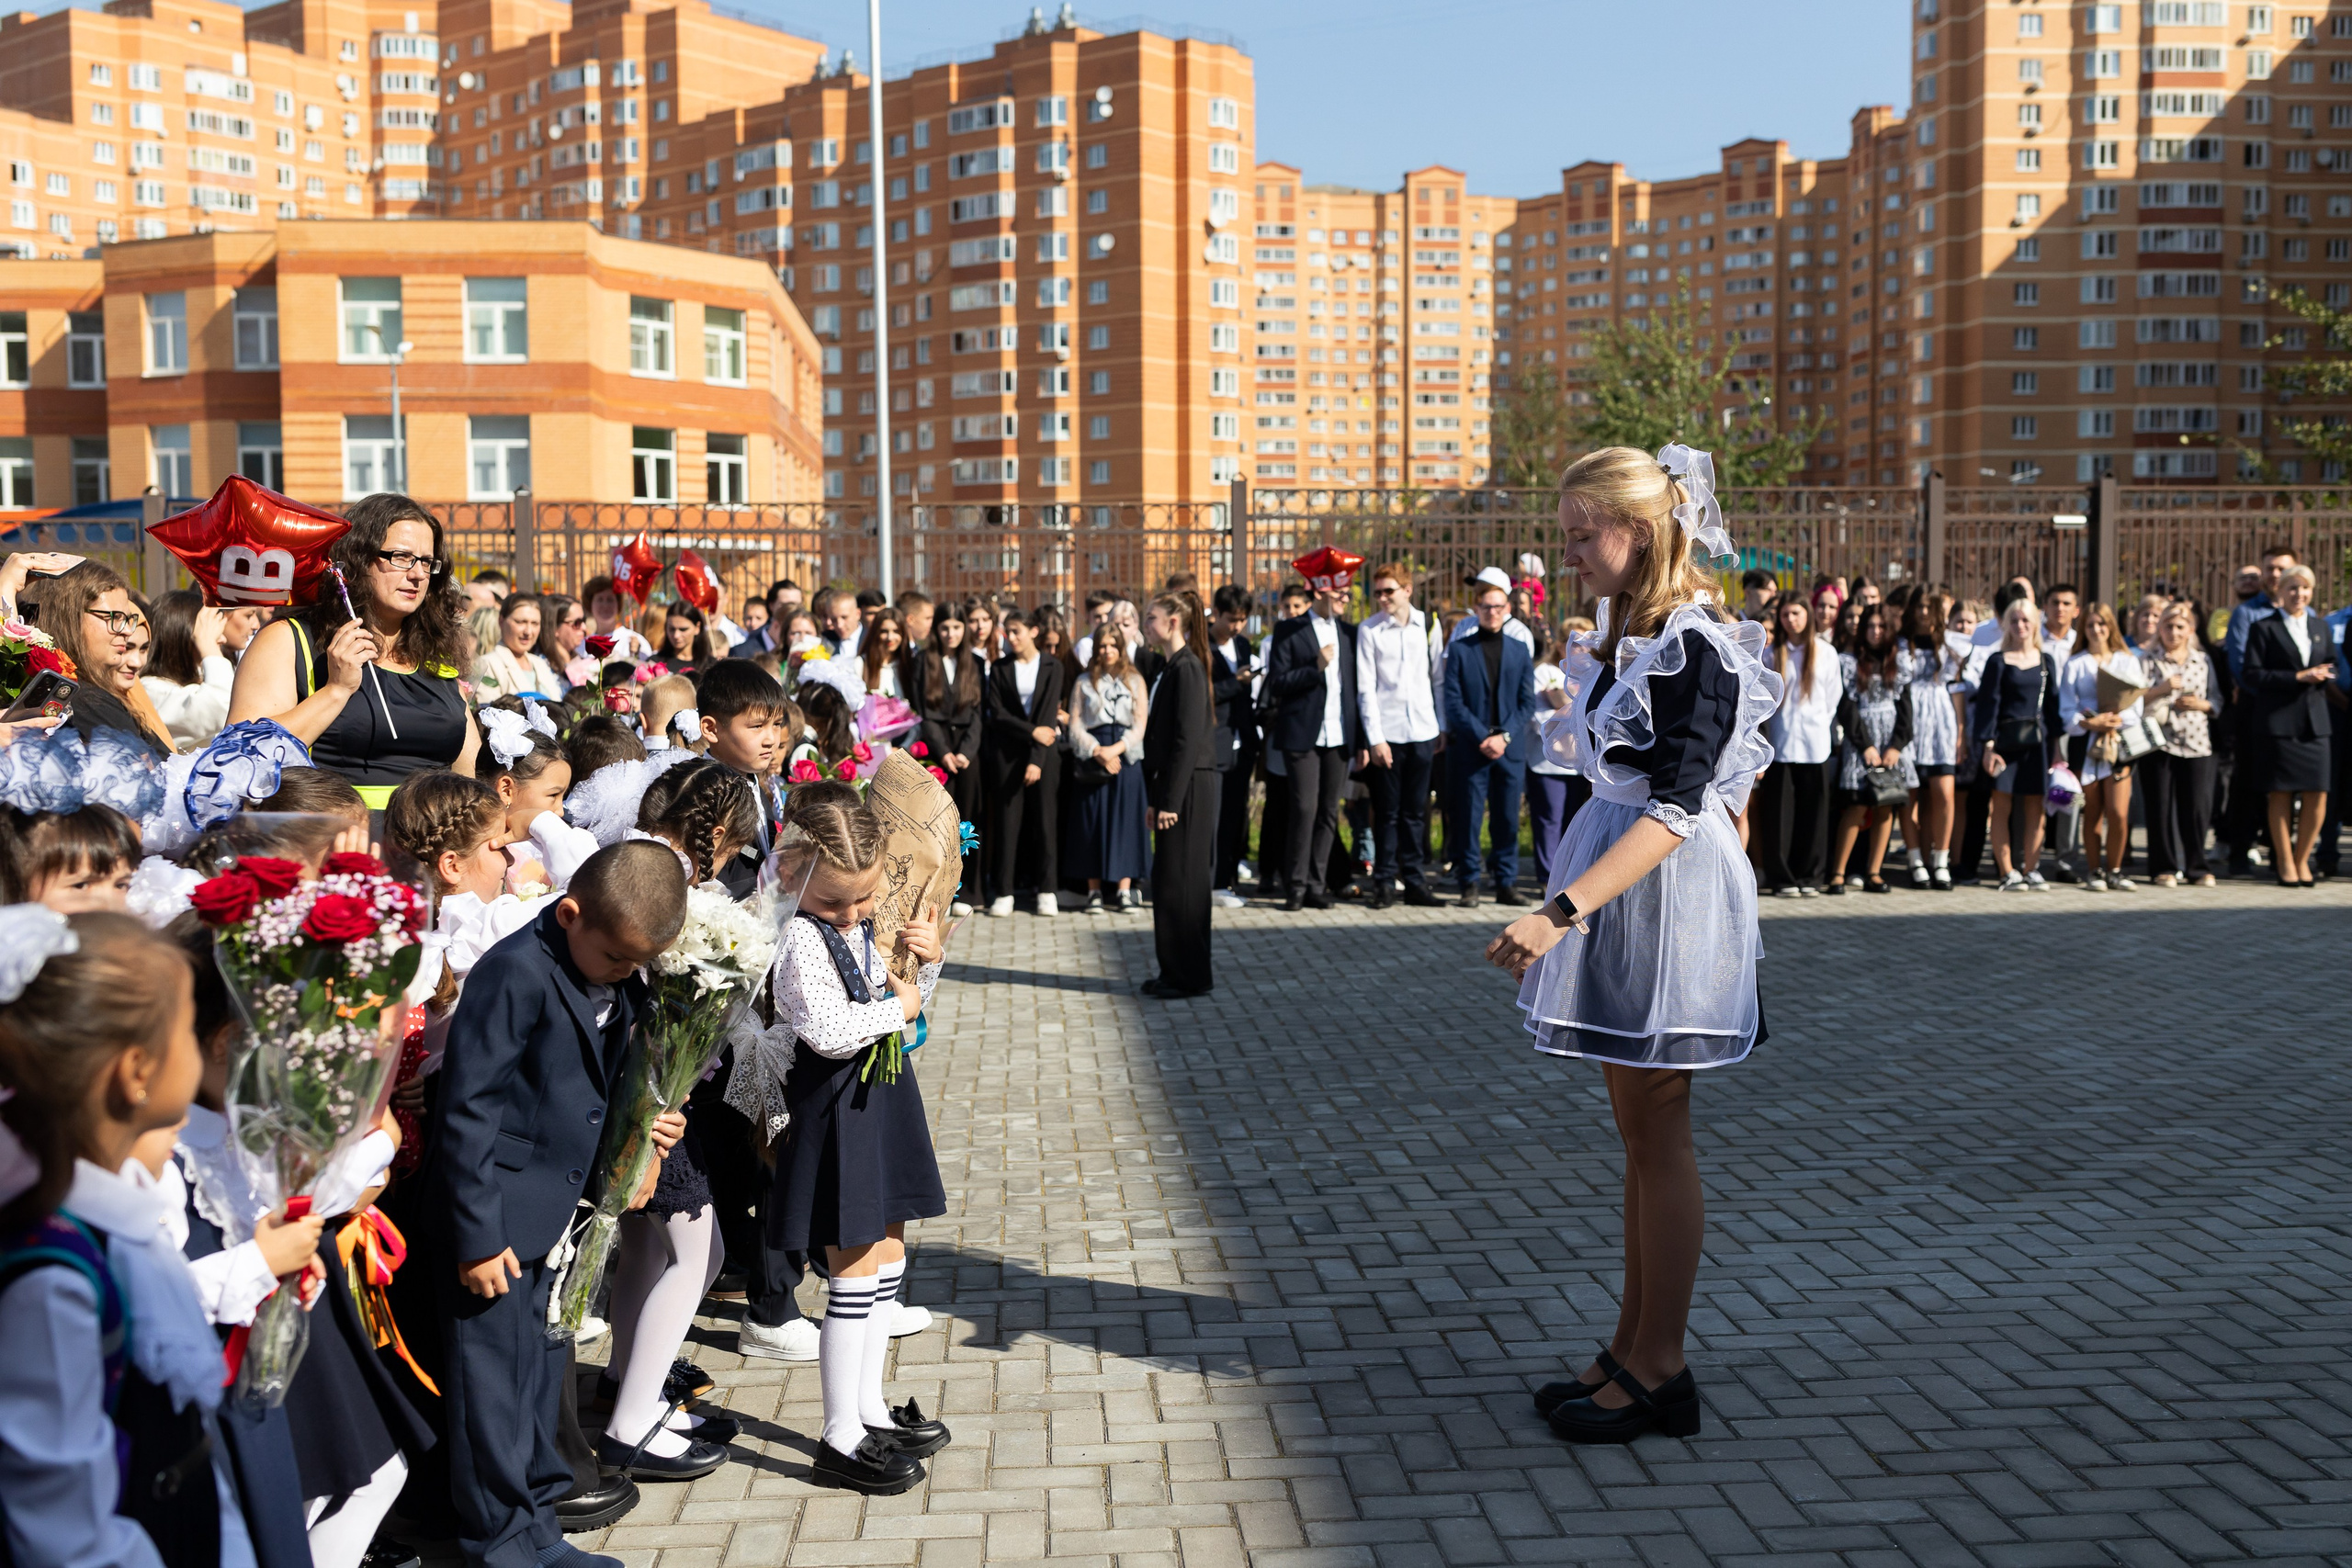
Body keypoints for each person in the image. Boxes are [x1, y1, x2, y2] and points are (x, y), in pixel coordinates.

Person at [1482, 444, 1781, 1445]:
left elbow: (1679, 810)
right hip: (1630, 902)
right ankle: (1630, 1346)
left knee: (1660, 1141)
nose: (1566, 554)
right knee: (1640, 1146)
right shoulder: (1636, 636)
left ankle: (1661, 1366)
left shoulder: (1695, 644)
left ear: (1640, 533)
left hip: (1663, 905)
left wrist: (1557, 912)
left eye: (1579, 535)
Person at [426, 842, 686, 1568]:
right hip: (497, 1219)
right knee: (490, 1390)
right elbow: (467, 1111)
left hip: (558, 1215)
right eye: (615, 959)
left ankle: (539, 1526)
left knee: (538, 1376)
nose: (626, 974)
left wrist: (653, 1126)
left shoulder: (617, 968)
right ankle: (500, 1542)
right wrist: (477, 1237)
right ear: (568, 912)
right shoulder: (514, 972)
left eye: (637, 965)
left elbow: (609, 1082)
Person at [0, 908, 261, 1568]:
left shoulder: (126, 1203)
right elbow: (66, 1536)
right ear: (136, 1071)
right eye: (185, 1028)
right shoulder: (51, 1278)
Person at [761, 783, 949, 1495]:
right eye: (836, 901)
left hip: (881, 1097)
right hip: (834, 1108)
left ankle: (870, 1405)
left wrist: (920, 965)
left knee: (887, 1250)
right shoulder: (799, 934)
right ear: (793, 873)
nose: (852, 914)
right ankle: (839, 1431)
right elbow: (831, 1030)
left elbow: (895, 1001)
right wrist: (898, 1005)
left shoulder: (852, 921)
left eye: (863, 900)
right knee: (851, 1266)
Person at [230, 494, 478, 806]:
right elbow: (239, 758)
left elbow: (469, 774)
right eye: (400, 557)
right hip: (340, 841)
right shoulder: (289, 640)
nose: (417, 574)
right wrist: (335, 690)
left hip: (438, 842)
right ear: (358, 559)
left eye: (427, 562)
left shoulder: (435, 653)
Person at [1261, 549, 1365, 912]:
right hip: (1302, 736)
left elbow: (1357, 690)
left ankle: (1317, 885)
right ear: (1321, 592)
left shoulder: (1351, 633)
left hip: (1339, 737)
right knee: (1303, 808)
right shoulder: (1289, 629)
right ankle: (1295, 886)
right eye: (1339, 593)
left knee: (1327, 812)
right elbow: (1277, 683)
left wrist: (1362, 741)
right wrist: (1316, 666)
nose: (1345, 599)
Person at [1139, 592, 1216, 998]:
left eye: (1151, 617)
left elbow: (1187, 741)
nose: (1145, 623)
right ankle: (1173, 969)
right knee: (1169, 880)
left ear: (1173, 623)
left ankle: (1191, 975)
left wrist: (1170, 801)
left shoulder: (1187, 667)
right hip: (1174, 783)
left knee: (1184, 882)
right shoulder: (1169, 667)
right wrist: (1158, 797)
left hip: (1190, 787)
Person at [2238, 563, 2335, 886]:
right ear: (2280, 591)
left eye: (2305, 588)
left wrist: (2322, 674)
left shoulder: (2320, 626)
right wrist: (2296, 677)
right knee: (2279, 793)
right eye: (2292, 588)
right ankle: (2284, 861)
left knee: (2318, 792)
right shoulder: (2264, 628)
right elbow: (2251, 674)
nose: (2299, 594)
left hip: (2315, 722)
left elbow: (2330, 662)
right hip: (2278, 723)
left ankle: (2302, 859)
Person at [1442, 581, 1536, 908]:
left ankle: (1505, 883)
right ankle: (1469, 883)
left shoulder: (1519, 649)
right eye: (1486, 607)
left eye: (1498, 607)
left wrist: (1504, 736)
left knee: (1507, 818)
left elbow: (1526, 703)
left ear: (1507, 610)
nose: (1492, 612)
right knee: (1468, 816)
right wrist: (1483, 735)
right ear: (1477, 610)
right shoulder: (1459, 649)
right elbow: (1453, 702)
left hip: (1508, 748)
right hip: (1472, 746)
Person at [1354, 563, 1442, 911]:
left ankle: (1415, 881)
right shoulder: (1370, 630)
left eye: (1388, 590)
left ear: (1407, 590)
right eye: (1377, 592)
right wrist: (1375, 738)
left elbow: (1437, 678)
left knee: (1415, 812)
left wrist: (1441, 726)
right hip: (1388, 733)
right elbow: (1366, 689)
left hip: (1422, 729)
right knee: (1387, 812)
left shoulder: (1427, 624)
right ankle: (1384, 882)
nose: (1382, 598)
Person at [25, 559, 175, 756]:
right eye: (115, 618)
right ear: (71, 618)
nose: (127, 631)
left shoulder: (95, 690)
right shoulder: (83, 699)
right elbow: (158, 776)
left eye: (128, 619)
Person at [1971, 598, 2064, 892]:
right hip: (2004, 744)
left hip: (2037, 743)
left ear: (2035, 624)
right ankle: (2007, 871)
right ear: (2006, 624)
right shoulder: (1997, 661)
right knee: (2001, 806)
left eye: (2026, 620)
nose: (2020, 626)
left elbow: (2053, 707)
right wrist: (1988, 747)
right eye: (2014, 620)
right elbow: (1988, 707)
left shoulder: (2045, 661)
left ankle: (2031, 869)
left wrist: (2058, 750)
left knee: (2036, 807)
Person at [1754, 592, 1841, 897]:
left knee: (1814, 815)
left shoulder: (1827, 653)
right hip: (1782, 743)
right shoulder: (1770, 654)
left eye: (1796, 613)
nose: (1791, 620)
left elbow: (1833, 698)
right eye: (1785, 615)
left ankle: (1811, 876)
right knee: (1780, 816)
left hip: (1816, 744)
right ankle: (1783, 878)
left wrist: (1820, 723)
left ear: (1808, 614)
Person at [1824, 603, 1913, 894]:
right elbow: (1846, 709)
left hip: (1890, 745)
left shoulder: (1899, 663)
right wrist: (1866, 747)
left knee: (1887, 805)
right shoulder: (1849, 662)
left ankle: (1875, 872)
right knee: (1857, 805)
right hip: (1862, 744)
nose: (1875, 632)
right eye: (1870, 626)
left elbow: (1906, 711)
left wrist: (1896, 746)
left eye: (1881, 626)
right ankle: (1838, 872)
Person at [2060, 602, 2147, 892]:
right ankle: (2095, 869)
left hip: (2118, 743)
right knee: (2092, 809)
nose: (2096, 630)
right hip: (2086, 743)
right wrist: (2091, 723)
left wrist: (2116, 719)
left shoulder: (2127, 660)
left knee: (2119, 811)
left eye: (2102, 624)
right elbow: (2066, 710)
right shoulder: (2076, 663)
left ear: (2111, 627)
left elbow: (2137, 706)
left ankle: (2116, 869)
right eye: (2090, 625)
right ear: (2083, 629)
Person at [983, 609, 1064, 917]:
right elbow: (998, 714)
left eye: (1016, 631)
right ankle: (1004, 892)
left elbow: (1046, 714)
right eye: (1007, 632)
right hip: (1008, 756)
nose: (1011, 638)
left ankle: (1047, 890)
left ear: (1033, 631)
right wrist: (1031, 732)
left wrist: (1037, 761)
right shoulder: (1000, 667)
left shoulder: (1053, 666)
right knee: (1007, 824)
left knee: (1045, 823)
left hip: (1044, 759)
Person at [1064, 634, 1149, 915]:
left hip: (1126, 755)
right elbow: (1075, 724)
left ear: (1122, 649)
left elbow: (1140, 724)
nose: (1108, 650)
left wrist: (1116, 750)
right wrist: (1097, 750)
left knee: (1125, 821)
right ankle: (1094, 891)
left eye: (1114, 645)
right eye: (1103, 645)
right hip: (1094, 755)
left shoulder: (1135, 680)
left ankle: (1124, 890)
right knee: (1093, 821)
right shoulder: (1084, 681)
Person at [2140, 601, 2222, 886]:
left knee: (2197, 807)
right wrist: (2161, 690)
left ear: (2190, 630)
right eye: (2168, 626)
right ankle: (2164, 866)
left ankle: (2197, 866)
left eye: (2179, 627)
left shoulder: (2202, 660)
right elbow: (2132, 700)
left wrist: (2201, 704)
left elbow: (2217, 700)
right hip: (2159, 741)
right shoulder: (2147, 659)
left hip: (2197, 741)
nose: (2173, 632)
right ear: (2159, 629)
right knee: (2160, 806)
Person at [1896, 591, 1962, 889]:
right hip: (1910, 717)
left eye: (1928, 607)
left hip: (1940, 720)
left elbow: (1957, 684)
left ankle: (1941, 858)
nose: (1923, 611)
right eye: (1918, 605)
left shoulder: (1948, 643)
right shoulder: (1900, 642)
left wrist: (1961, 733)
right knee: (1910, 795)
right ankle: (1915, 859)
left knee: (1944, 792)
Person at [909, 606, 985, 849]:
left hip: (967, 750)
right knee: (937, 819)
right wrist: (943, 752)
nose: (950, 634)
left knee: (970, 817)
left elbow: (977, 713)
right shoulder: (922, 661)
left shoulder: (975, 662)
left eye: (956, 627)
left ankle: (971, 885)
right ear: (936, 629)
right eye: (944, 628)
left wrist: (966, 751)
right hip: (936, 747)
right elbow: (922, 712)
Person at [1523, 623, 1589, 890]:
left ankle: (1569, 874)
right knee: (1549, 819)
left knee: (1574, 819)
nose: (1583, 649)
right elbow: (1536, 716)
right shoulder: (1545, 672)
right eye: (1576, 642)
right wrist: (1564, 719)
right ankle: (1548, 877)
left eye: (1588, 643)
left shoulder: (1592, 673)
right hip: (1547, 762)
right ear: (1561, 645)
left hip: (1581, 763)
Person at [1205, 586, 1258, 910]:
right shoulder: (1202, 646)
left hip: (1242, 740)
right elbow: (1202, 692)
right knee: (1215, 818)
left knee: (1235, 815)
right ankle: (1212, 882)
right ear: (1216, 613)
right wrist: (1234, 682)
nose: (1237, 626)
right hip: (1216, 740)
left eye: (1242, 620)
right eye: (1231, 619)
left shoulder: (1242, 644)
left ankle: (1228, 879)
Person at [140, 589, 240, 750]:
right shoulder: (151, 690)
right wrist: (208, 646)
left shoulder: (197, 680)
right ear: (180, 634)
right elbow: (222, 707)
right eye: (208, 634)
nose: (222, 639)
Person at [474, 594, 560, 704]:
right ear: (501, 621)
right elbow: (489, 713)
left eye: (535, 623)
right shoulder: (487, 664)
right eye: (520, 622)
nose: (528, 632)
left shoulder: (540, 664)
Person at [858, 607, 908, 702]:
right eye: (884, 631)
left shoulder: (908, 666)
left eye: (896, 631)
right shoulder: (861, 664)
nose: (890, 637)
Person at [654, 605, 714, 681]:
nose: (676, 635)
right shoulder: (655, 663)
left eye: (683, 629)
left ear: (697, 628)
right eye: (671, 629)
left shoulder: (711, 665)